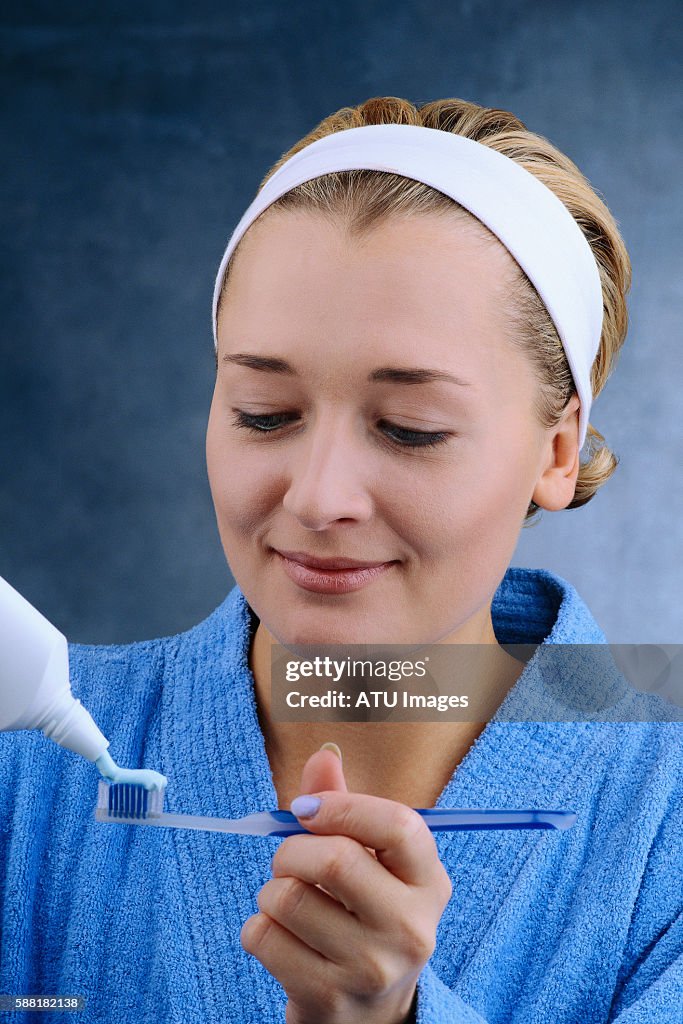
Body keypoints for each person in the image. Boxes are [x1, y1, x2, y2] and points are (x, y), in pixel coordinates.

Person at [0, 96, 680, 1024]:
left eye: (410, 430)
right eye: (263, 413)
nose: (318, 496)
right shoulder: (24, 766)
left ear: (558, 450)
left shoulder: (662, 823)